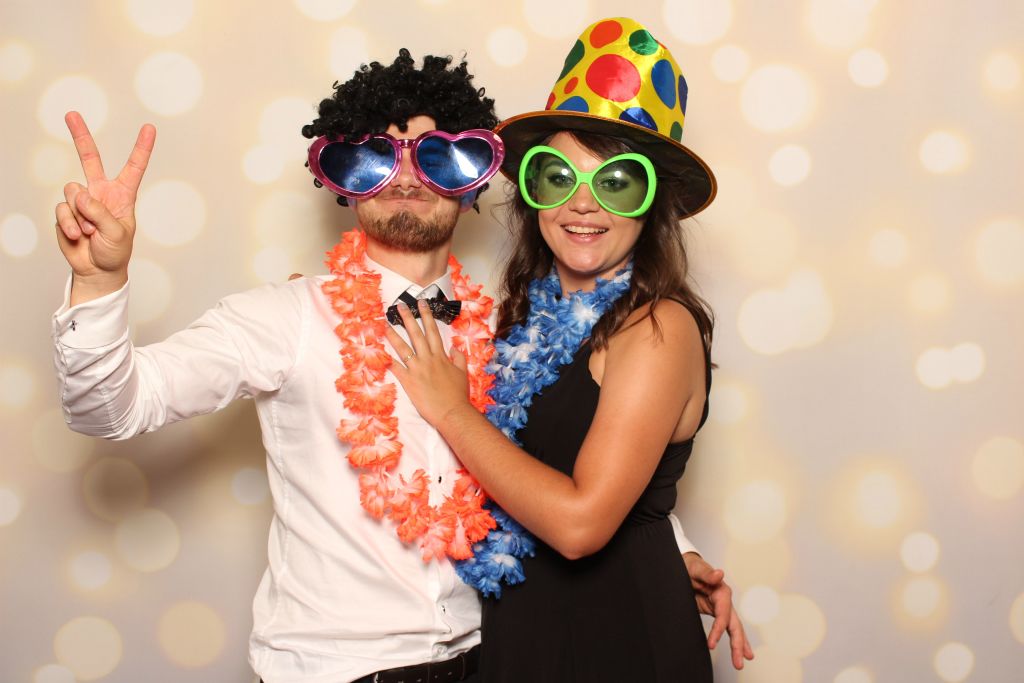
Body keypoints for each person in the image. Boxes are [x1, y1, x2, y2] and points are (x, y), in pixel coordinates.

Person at [51, 48, 749, 683]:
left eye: (437, 156)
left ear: (473, 180)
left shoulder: (505, 330)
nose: (410, 175)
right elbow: (112, 409)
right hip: (337, 671)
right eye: (378, 156)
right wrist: (99, 281)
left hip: (490, 660)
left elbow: (576, 454)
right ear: (344, 180)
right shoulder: (285, 319)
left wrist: (672, 550)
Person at [383, 18, 745, 682]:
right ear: (532, 192)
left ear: (652, 202)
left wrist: (453, 411)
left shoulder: (657, 327)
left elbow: (581, 525)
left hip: (616, 644)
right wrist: (329, 306)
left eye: (616, 182)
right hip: (526, 633)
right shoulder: (523, 318)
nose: (582, 204)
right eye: (558, 177)